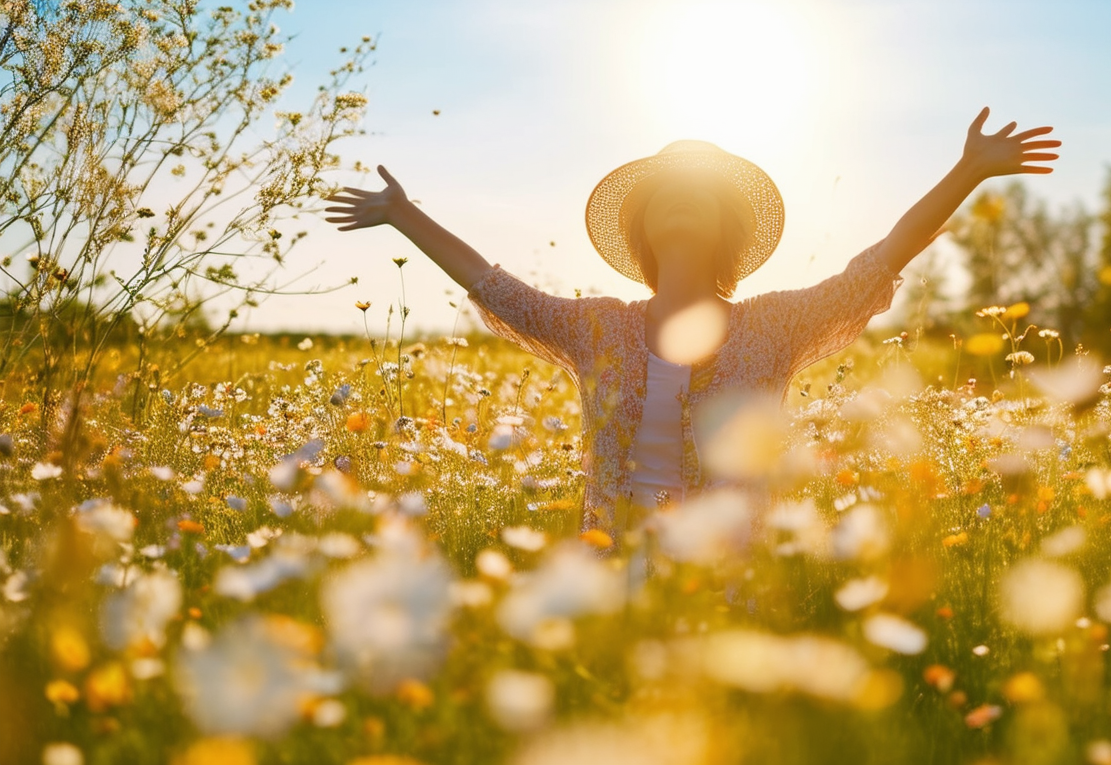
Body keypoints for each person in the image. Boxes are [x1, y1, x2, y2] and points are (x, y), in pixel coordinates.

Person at [323, 107, 1060, 550]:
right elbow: (494, 285)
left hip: (729, 574)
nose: (680, 203)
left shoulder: (776, 326)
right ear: (640, 225)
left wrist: (967, 172)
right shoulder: (595, 329)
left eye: (698, 195)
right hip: (610, 569)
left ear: (725, 227)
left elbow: (877, 263)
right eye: (664, 195)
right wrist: (403, 214)